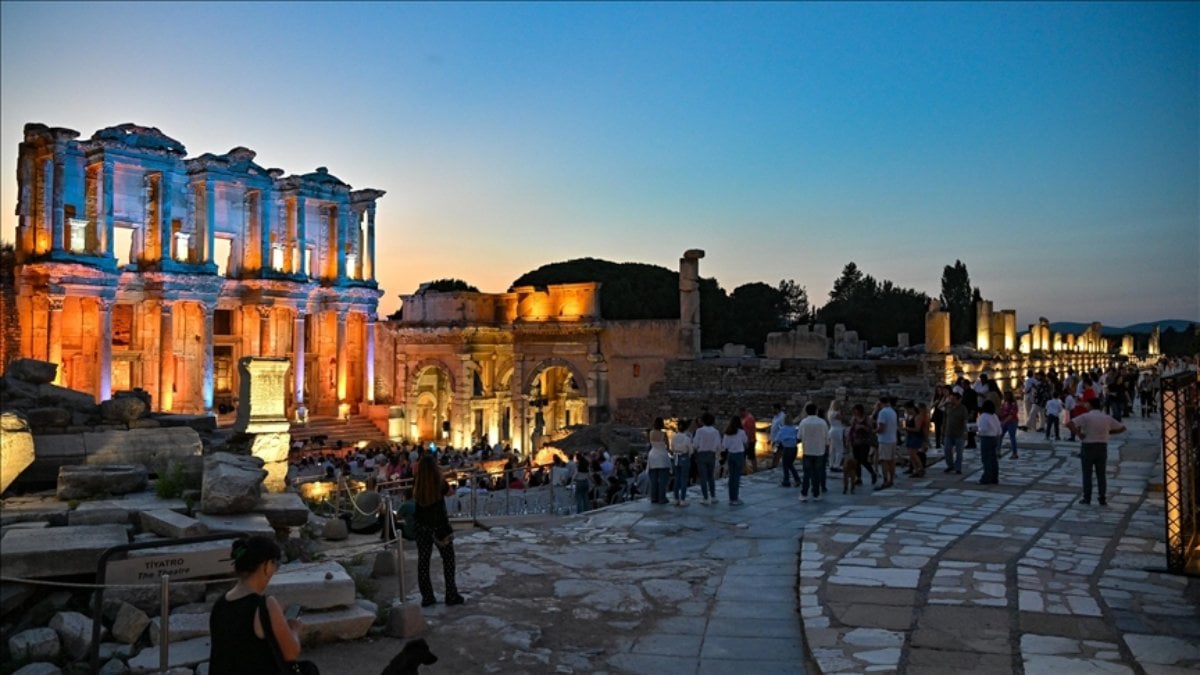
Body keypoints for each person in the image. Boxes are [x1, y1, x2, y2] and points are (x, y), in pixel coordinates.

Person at [209, 535, 305, 674]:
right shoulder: (265, 605)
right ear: (266, 566)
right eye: (274, 564)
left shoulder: (220, 604)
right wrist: (294, 629)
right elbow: (291, 653)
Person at [413, 455, 463, 607]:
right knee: (448, 560)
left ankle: (427, 597)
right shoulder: (440, 483)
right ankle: (451, 594)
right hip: (440, 527)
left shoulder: (418, 483)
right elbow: (450, 493)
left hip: (422, 527)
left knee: (423, 562)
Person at [1066, 398, 1126, 506]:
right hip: (1102, 446)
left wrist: (1079, 434)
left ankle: (1087, 497)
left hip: (1088, 446)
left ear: (1090, 405)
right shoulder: (1106, 418)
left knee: (1087, 474)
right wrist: (1108, 432)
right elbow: (1122, 428)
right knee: (1101, 474)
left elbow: (1070, 423)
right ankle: (1102, 498)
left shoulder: (1086, 417)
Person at [797, 403, 829, 502]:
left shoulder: (803, 422)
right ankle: (816, 493)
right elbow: (826, 437)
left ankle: (804, 493)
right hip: (819, 450)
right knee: (817, 473)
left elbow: (799, 436)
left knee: (807, 473)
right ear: (816, 411)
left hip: (808, 450)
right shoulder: (822, 422)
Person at [693, 412, 721, 505]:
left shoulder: (699, 431)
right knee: (711, 476)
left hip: (701, 454)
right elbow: (718, 445)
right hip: (711, 454)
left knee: (703, 477)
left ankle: (705, 497)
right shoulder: (716, 431)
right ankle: (713, 496)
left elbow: (695, 444)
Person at [847, 404, 878, 487]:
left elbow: (870, 430)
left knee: (863, 459)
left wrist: (863, 427)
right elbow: (851, 430)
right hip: (855, 442)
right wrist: (849, 440)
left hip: (864, 442)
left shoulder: (867, 419)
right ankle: (859, 478)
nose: (855, 412)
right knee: (856, 461)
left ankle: (872, 473)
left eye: (856, 410)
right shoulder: (854, 419)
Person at [722, 415, 748, 505]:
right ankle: (735, 498)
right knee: (736, 478)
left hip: (731, 454)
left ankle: (731, 497)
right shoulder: (741, 432)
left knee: (731, 477)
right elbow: (745, 441)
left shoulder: (727, 433)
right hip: (739, 454)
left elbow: (725, 446)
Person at [874, 397, 899, 489]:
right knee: (891, 461)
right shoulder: (892, 411)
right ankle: (891, 479)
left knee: (884, 461)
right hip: (893, 439)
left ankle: (885, 480)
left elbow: (881, 428)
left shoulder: (882, 412)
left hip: (884, 440)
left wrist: (873, 431)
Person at [976, 400, 1002, 485]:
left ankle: (986, 477)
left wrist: (977, 432)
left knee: (986, 459)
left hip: (986, 438)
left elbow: (982, 429)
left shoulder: (983, 416)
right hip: (994, 438)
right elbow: (999, 429)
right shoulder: (994, 416)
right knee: (993, 459)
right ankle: (994, 477)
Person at [647, 418, 672, 505]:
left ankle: (654, 497)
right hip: (662, 456)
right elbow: (668, 447)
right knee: (663, 479)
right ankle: (662, 498)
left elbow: (651, 443)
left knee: (653, 479)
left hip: (652, 455)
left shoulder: (651, 433)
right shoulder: (664, 434)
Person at [672, 418, 696, 506]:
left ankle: (675, 498)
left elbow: (672, 448)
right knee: (684, 479)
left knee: (677, 478)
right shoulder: (687, 438)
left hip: (676, 457)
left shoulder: (674, 437)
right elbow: (691, 450)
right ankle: (682, 499)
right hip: (684, 457)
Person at [942, 390, 967, 475]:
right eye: (951, 399)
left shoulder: (963, 408)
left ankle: (958, 468)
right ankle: (950, 465)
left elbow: (965, 421)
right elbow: (945, 417)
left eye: (954, 399)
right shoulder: (948, 407)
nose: (952, 401)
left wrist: (965, 432)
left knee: (959, 453)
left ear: (959, 399)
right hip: (948, 433)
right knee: (947, 450)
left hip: (959, 434)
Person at [775, 413, 801, 488]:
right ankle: (797, 479)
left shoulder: (783, 429)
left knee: (785, 465)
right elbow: (799, 437)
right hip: (794, 448)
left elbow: (777, 439)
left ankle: (786, 480)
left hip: (787, 448)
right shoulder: (795, 428)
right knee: (790, 464)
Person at [999, 391, 1020, 458]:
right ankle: (998, 451)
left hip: (1012, 422)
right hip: (1004, 421)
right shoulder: (1003, 403)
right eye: (1005, 395)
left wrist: (1004, 422)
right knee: (1000, 436)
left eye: (1007, 395)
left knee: (1012, 437)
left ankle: (1014, 453)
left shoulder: (1013, 404)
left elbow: (1012, 414)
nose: (1005, 397)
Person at [827, 400, 846, 474]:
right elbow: (843, 419)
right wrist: (841, 411)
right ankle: (836, 465)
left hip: (832, 430)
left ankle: (831, 464)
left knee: (832, 449)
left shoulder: (829, 412)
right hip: (837, 431)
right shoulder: (836, 413)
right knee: (839, 449)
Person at [768, 403, 787, 469]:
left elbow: (783, 428)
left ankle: (775, 466)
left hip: (779, 440)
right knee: (774, 452)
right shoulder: (775, 417)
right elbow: (773, 428)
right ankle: (774, 465)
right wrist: (770, 438)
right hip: (774, 439)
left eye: (773, 409)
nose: (772, 411)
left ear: (777, 409)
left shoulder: (782, 417)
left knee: (777, 453)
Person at [740, 407, 758, 472]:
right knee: (744, 455)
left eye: (741, 412)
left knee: (751, 455)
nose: (740, 414)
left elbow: (750, 430)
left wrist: (747, 441)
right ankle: (743, 470)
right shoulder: (746, 418)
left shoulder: (749, 418)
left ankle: (755, 470)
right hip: (747, 440)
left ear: (744, 411)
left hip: (750, 440)